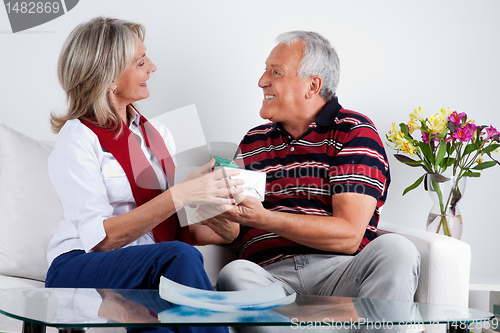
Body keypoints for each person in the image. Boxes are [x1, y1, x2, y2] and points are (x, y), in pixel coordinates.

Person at [197, 31, 420, 331]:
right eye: (265, 70)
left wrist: (264, 218)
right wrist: (203, 208)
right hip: (270, 281)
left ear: (312, 85)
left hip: (341, 277)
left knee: (397, 250)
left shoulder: (354, 132)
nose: (262, 81)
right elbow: (236, 231)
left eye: (275, 72)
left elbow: (348, 234)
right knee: (235, 274)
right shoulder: (253, 141)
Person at [45, 16, 241, 333]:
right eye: (140, 62)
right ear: (108, 78)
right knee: (180, 256)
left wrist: (224, 219)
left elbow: (164, 227)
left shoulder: (158, 133)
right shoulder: (78, 137)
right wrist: (180, 195)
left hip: (141, 267)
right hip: (80, 265)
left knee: (160, 324)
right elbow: (100, 239)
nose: (152, 67)